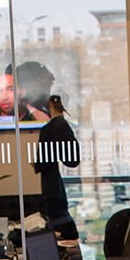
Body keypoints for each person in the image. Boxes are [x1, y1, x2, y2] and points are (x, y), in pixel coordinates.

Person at [34, 93, 81, 240]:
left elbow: (43, 162)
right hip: (57, 194)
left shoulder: (48, 130)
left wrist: (37, 164)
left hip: (53, 193)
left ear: (49, 107)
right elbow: (73, 160)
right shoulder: (64, 127)